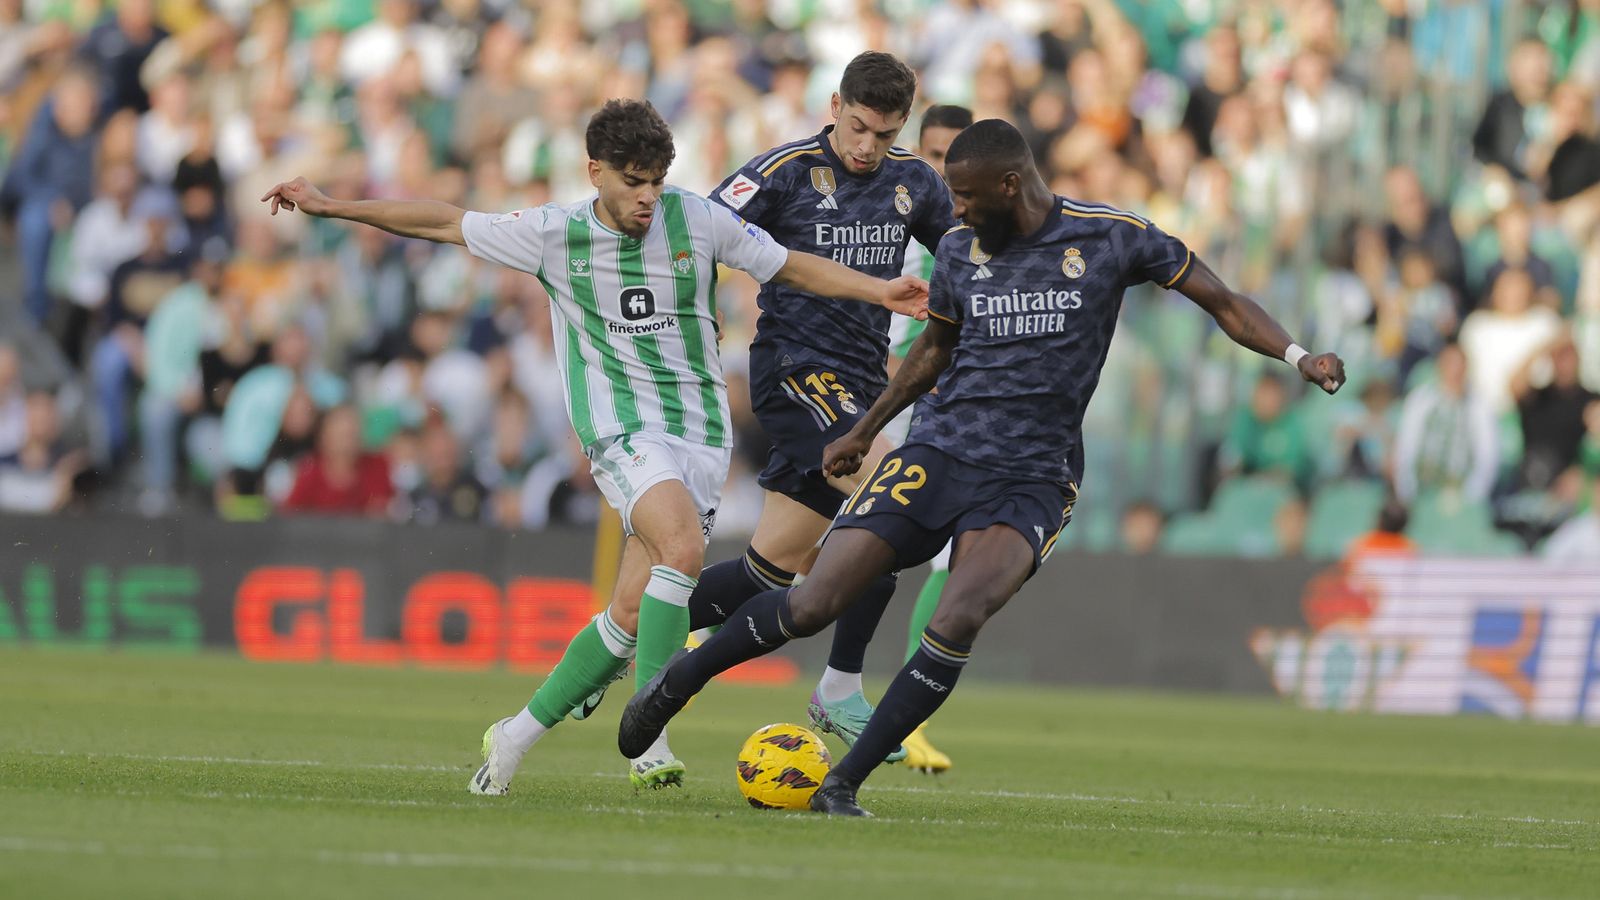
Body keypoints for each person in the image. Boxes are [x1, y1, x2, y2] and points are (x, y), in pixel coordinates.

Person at [620, 119, 1345, 816]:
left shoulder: (1110, 236)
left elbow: (1220, 300)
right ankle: (678, 682)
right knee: (814, 602)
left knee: (958, 614)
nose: (953, 210)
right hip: (938, 453)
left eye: (964, 196)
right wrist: (865, 431)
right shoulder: (964, 251)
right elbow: (933, 351)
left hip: (1033, 476)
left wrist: (1296, 356)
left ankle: (842, 782)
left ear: (1009, 183)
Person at [261, 98, 929, 793]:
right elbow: (440, 220)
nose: (647, 196)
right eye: (632, 181)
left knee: (632, 616)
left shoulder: (695, 220)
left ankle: (513, 736)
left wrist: (881, 291)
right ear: (595, 172)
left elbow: (789, 264)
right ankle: (650, 737)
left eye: (656, 181)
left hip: (699, 433)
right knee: (683, 552)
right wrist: (334, 206)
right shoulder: (553, 233)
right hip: (620, 428)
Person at [676, 54, 956, 765]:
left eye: (885, 135)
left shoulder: (916, 184)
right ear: (835, 105)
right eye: (857, 127)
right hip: (794, 373)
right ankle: (839, 687)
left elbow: (959, 260)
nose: (867, 147)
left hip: (862, 390)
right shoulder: (784, 171)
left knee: (766, 569)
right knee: (891, 499)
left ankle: (625, 638)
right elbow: (695, 231)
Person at [881, 103, 972, 774]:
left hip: (942, 416)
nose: (943, 170)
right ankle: (697, 623)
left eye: (956, 158)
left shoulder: (974, 240)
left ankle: (911, 724)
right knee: (820, 546)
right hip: (887, 409)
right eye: (934, 155)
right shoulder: (908, 235)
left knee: (949, 563)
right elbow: (891, 348)